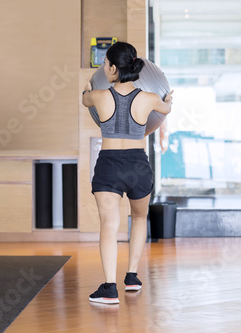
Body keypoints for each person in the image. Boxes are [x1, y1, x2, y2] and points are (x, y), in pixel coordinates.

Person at [82, 41, 173, 304]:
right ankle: (132, 277)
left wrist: (87, 88)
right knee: (140, 218)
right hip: (137, 164)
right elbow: (166, 110)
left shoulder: (100, 96)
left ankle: (109, 288)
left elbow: (85, 97)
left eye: (105, 64)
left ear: (111, 68)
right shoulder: (149, 98)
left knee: (109, 225)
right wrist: (168, 100)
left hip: (109, 164)